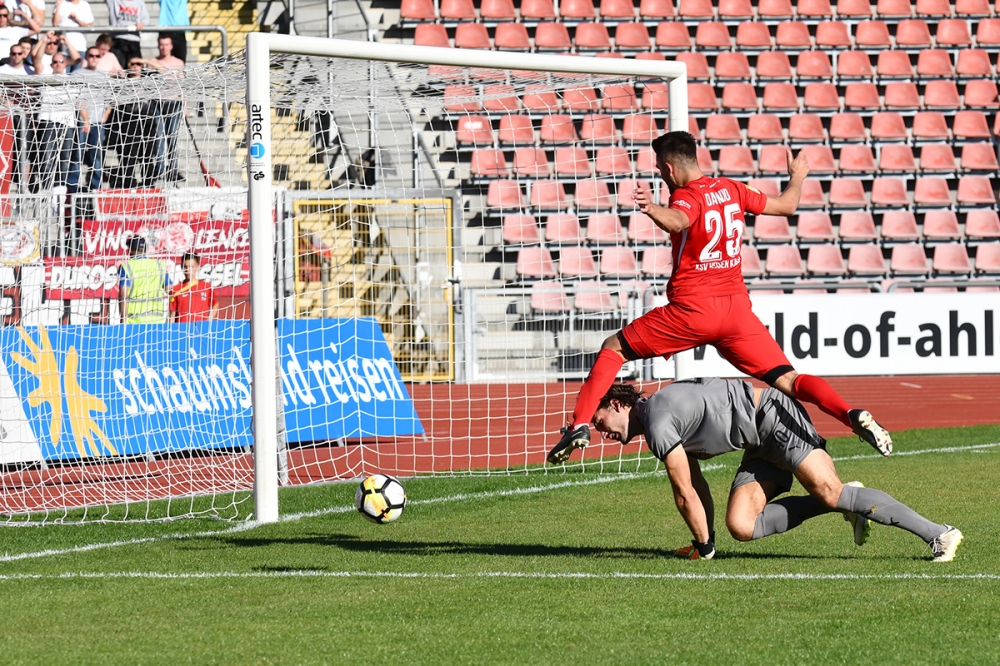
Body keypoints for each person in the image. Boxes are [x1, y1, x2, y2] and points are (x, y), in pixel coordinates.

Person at [548, 131, 893, 465]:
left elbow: (679, 220)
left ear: (668, 168)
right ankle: (850, 413)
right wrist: (798, 176)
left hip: (693, 311)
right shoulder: (732, 188)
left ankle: (579, 424)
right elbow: (788, 206)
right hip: (736, 313)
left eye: (659, 169)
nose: (660, 175)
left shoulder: (685, 195)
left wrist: (651, 208)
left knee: (614, 347)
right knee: (788, 379)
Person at [589, 380, 964, 562]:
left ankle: (940, 534)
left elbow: (684, 491)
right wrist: (708, 541)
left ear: (619, 404)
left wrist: (703, 547)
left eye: (599, 418)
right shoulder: (656, 419)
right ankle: (844, 501)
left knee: (831, 491)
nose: (600, 430)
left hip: (773, 417)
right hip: (758, 443)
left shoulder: (656, 421)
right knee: (742, 524)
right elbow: (696, 482)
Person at [28, 50, 75, 192]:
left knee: (65, 159)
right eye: (55, 61)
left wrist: (86, 120)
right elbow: (36, 59)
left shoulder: (73, 80)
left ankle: (59, 193)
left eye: (61, 61)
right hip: (48, 122)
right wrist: (45, 38)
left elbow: (81, 103)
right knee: (47, 158)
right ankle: (47, 189)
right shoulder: (45, 77)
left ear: (66, 63)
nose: (58, 64)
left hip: (68, 124)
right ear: (51, 64)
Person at [67, 45, 109, 192]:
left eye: (97, 56)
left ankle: (94, 187)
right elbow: (76, 99)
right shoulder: (77, 74)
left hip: (98, 122)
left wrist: (106, 115)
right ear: (86, 57)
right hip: (81, 121)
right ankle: (72, 188)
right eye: (91, 55)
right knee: (77, 155)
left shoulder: (104, 76)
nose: (94, 58)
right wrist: (85, 119)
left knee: (96, 156)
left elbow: (111, 98)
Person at [118, 235, 170, 323]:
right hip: (157, 321)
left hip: (134, 323)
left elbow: (123, 295)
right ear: (145, 250)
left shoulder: (126, 267)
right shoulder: (159, 265)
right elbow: (170, 289)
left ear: (131, 251)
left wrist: (123, 320)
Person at [169, 252, 217, 322]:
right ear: (182, 267)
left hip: (200, 329)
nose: (188, 270)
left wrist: (209, 320)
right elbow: (172, 315)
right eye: (185, 267)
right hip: (181, 329)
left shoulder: (206, 286)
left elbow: (215, 304)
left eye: (191, 267)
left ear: (198, 267)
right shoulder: (175, 289)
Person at [105, 0, 148, 70]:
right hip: (117, 40)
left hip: (134, 41)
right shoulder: (114, 1)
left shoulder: (139, 2)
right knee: (118, 70)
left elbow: (146, 19)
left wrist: (142, 24)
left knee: (135, 69)